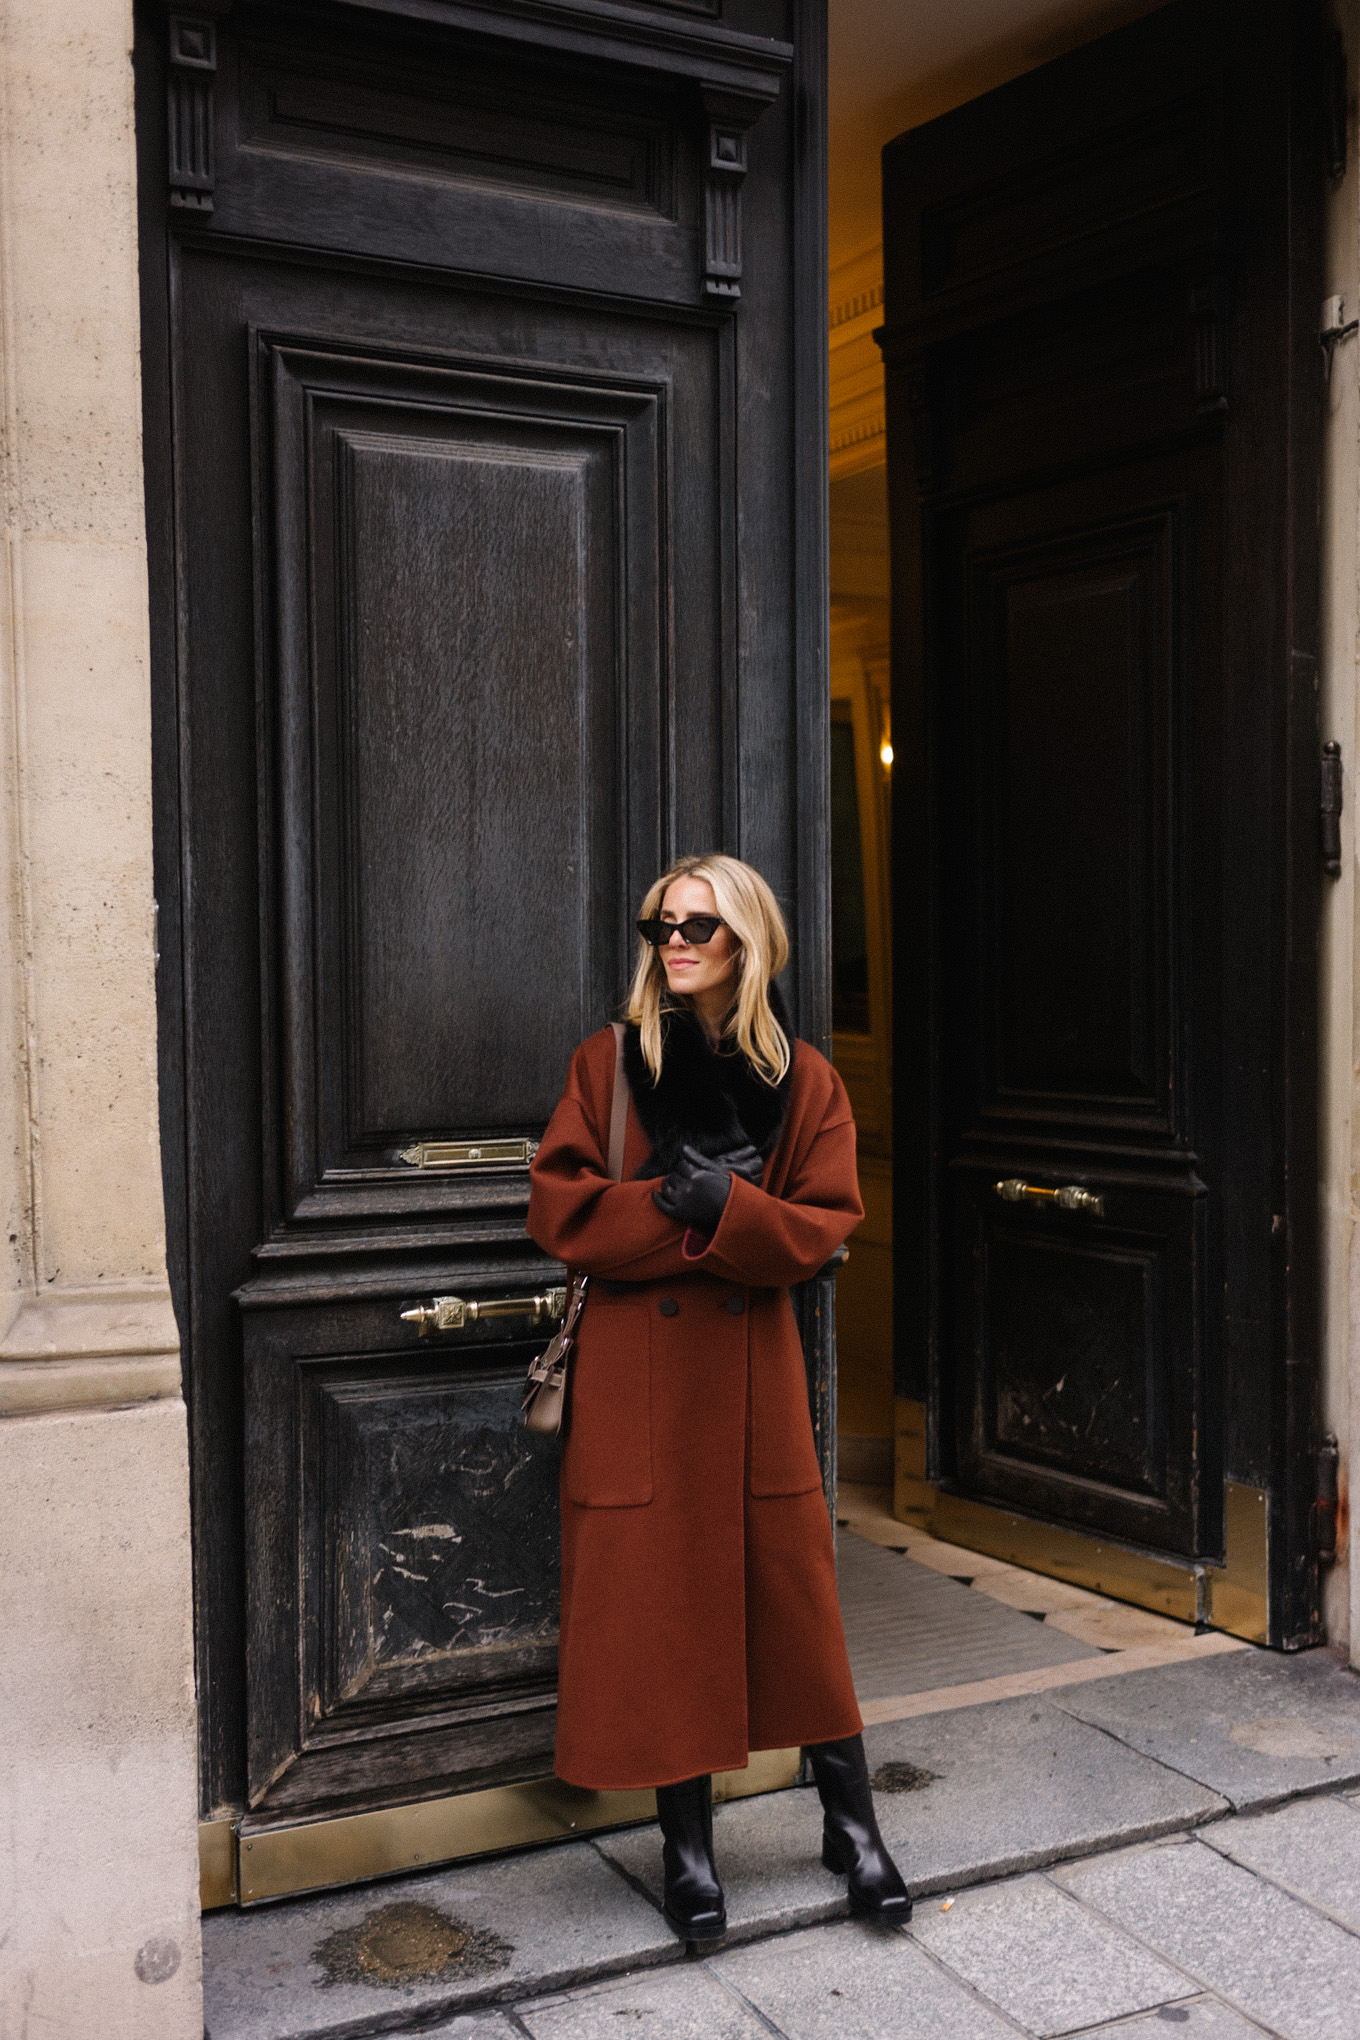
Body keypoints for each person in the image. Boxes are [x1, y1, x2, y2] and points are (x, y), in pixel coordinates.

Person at [526, 853, 910, 1945]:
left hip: (751, 1385)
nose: (676, 942)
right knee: (660, 1614)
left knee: (793, 1602)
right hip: (639, 1387)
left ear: (748, 940)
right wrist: (667, 1202)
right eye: (661, 925)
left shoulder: (806, 1081)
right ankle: (685, 1850)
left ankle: (853, 1825)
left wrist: (731, 1209)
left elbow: (824, 1228)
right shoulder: (607, 1065)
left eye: (699, 924)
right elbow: (560, 1211)